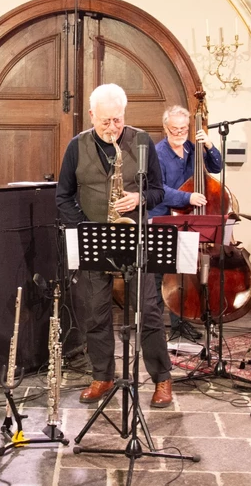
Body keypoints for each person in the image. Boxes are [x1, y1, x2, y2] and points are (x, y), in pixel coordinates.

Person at [55, 83, 174, 408]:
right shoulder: (76, 146)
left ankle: (162, 379)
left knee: (148, 311)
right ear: (92, 115)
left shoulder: (143, 141)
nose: (111, 128)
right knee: (95, 313)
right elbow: (62, 195)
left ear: (125, 115)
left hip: (136, 237)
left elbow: (159, 192)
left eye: (117, 121)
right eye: (105, 121)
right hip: (94, 238)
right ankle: (102, 376)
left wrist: (140, 198)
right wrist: (84, 227)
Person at [149, 105, 224, 332]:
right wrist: (188, 196)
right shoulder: (157, 153)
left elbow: (216, 166)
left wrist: (209, 146)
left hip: (186, 218)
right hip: (162, 216)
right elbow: (157, 188)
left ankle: (180, 322)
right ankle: (152, 326)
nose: (180, 133)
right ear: (165, 128)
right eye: (174, 129)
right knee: (160, 274)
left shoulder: (194, 148)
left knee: (183, 269)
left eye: (183, 129)